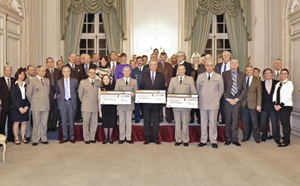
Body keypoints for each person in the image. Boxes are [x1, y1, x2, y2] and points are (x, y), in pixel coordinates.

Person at [196, 61, 224, 148]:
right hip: (203, 102)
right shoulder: (200, 76)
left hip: (214, 103)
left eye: (211, 65)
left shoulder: (219, 77)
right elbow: (198, 89)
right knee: (203, 122)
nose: (209, 67)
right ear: (205, 66)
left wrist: (216, 98)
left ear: (214, 66)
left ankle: (213, 140)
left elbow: (221, 90)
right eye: (207, 65)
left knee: (213, 122)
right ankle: (203, 140)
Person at [168, 65, 197, 147]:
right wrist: (169, 101)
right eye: (179, 69)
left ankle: (185, 139)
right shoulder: (173, 79)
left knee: (185, 123)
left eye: (182, 69)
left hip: (186, 105)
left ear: (185, 70)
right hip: (176, 105)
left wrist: (194, 102)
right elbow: (170, 92)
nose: (181, 71)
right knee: (177, 123)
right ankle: (178, 139)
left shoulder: (190, 79)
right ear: (177, 70)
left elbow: (193, 92)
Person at [222, 59, 247, 146]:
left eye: (235, 63)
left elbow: (244, 89)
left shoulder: (242, 74)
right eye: (232, 63)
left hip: (237, 101)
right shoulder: (225, 74)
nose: (234, 64)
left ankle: (235, 139)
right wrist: (227, 99)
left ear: (238, 64)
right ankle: (228, 139)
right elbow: (222, 88)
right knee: (228, 121)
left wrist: (238, 99)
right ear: (230, 64)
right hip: (228, 101)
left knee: (236, 121)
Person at [140, 60, 165, 145]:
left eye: (155, 64)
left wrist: (162, 99)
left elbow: (162, 88)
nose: (153, 66)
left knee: (156, 120)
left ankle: (155, 137)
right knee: (146, 120)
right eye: (151, 64)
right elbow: (141, 87)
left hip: (157, 102)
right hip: (146, 102)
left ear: (157, 66)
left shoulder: (161, 75)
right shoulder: (144, 75)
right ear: (149, 66)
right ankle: (147, 137)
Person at [26, 66, 50, 146]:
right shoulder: (32, 81)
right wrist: (33, 102)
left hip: (45, 105)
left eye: (45, 71)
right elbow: (28, 94)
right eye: (42, 71)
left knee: (44, 123)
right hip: (36, 105)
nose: (44, 72)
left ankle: (44, 138)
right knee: (36, 123)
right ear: (38, 71)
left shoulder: (47, 80)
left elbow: (48, 92)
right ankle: (35, 139)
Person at [114, 66, 138, 144]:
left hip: (130, 104)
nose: (127, 72)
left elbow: (136, 93)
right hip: (121, 104)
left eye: (128, 71)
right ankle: (121, 137)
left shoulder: (134, 81)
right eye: (125, 71)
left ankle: (128, 137)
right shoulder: (118, 81)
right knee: (121, 121)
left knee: (128, 121)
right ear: (122, 72)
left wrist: (133, 94)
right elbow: (116, 92)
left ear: (130, 72)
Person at [78, 68, 101, 144]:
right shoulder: (83, 82)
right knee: (86, 123)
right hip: (86, 106)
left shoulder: (98, 82)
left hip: (95, 106)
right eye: (91, 72)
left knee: (94, 123)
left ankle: (92, 137)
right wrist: (84, 102)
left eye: (94, 73)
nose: (92, 74)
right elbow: (80, 94)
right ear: (88, 73)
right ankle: (86, 138)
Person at [56, 65, 78, 144]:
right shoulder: (59, 82)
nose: (66, 73)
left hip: (71, 102)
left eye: (67, 71)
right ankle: (65, 137)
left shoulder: (75, 81)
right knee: (64, 121)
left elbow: (76, 91)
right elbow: (57, 92)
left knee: (71, 120)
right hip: (63, 103)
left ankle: (72, 137)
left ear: (70, 72)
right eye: (64, 71)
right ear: (62, 72)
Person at [241, 66, 262, 143]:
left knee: (254, 121)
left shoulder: (257, 80)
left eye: (250, 70)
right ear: (245, 71)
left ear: (253, 71)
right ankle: (245, 137)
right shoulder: (243, 79)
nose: (248, 72)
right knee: (245, 122)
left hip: (253, 104)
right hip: (244, 104)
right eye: (247, 70)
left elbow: (259, 93)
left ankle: (257, 137)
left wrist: (259, 104)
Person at [273, 69, 294, 147]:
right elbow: (274, 95)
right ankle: (285, 137)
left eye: (285, 74)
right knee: (282, 123)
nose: (283, 75)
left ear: (287, 75)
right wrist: (274, 104)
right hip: (278, 106)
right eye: (282, 73)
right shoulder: (278, 84)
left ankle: (286, 141)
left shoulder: (289, 83)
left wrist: (280, 105)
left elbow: (287, 96)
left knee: (285, 123)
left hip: (286, 106)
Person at [10, 68, 30, 145]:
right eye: (20, 74)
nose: (22, 76)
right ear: (17, 75)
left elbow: (29, 96)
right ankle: (16, 138)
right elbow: (13, 97)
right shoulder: (14, 85)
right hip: (16, 107)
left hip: (25, 106)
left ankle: (23, 137)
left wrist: (27, 106)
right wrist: (20, 108)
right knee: (16, 122)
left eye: (23, 74)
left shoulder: (26, 84)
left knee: (24, 122)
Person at [261, 68, 280, 143]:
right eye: (266, 73)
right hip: (264, 106)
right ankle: (264, 135)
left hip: (274, 106)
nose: (268, 74)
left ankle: (276, 137)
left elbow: (279, 95)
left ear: (272, 74)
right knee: (264, 122)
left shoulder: (277, 83)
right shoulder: (261, 83)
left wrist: (278, 104)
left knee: (275, 122)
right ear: (264, 75)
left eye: (269, 73)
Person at [64, 52, 84, 123]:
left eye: (75, 57)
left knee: (77, 104)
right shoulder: (65, 67)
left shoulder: (79, 67)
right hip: (68, 90)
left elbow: (82, 79)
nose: (73, 58)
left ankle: (77, 118)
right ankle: (68, 119)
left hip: (77, 90)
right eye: (72, 57)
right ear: (69, 58)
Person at [45, 57, 62, 132]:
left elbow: (61, 83)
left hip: (57, 95)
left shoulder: (58, 71)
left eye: (52, 61)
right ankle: (48, 126)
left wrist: (57, 93)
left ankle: (54, 126)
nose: (50, 63)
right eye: (48, 62)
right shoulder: (44, 72)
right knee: (48, 112)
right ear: (46, 64)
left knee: (55, 112)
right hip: (47, 95)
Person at [215, 51, 232, 124]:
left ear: (230, 56)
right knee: (220, 103)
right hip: (219, 87)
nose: (226, 56)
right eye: (224, 55)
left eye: (227, 55)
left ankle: (228, 120)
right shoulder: (218, 65)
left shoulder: (233, 65)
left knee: (228, 104)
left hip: (229, 88)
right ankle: (221, 119)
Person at [131, 56, 149, 123]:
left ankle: (145, 117)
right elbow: (132, 80)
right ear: (136, 62)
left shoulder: (147, 70)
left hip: (145, 90)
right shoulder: (134, 71)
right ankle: (137, 118)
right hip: (137, 90)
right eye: (138, 61)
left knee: (145, 105)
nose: (139, 62)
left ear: (143, 61)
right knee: (137, 105)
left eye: (140, 61)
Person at [100, 74, 117, 144]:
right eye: (105, 79)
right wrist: (100, 111)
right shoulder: (100, 88)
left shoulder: (113, 87)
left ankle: (110, 137)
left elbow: (116, 98)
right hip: (104, 108)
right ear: (102, 80)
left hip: (112, 107)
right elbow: (99, 100)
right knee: (105, 123)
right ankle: (106, 137)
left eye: (107, 79)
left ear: (110, 80)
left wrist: (117, 108)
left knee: (111, 122)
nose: (106, 80)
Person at [0, 65, 15, 142]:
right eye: (6, 70)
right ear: (4, 71)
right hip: (3, 105)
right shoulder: (0, 80)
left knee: (11, 122)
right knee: (2, 122)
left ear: (11, 71)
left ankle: (11, 137)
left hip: (12, 105)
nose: (8, 72)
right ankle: (2, 139)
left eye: (10, 70)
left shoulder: (14, 80)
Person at [157, 52, 173, 123]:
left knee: (168, 101)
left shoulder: (169, 65)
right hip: (159, 86)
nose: (163, 58)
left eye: (164, 57)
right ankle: (160, 117)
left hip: (168, 86)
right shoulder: (156, 65)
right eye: (161, 57)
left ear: (166, 57)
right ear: (159, 57)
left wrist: (167, 82)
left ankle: (168, 117)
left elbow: (171, 75)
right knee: (159, 102)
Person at [190, 52, 202, 124]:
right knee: (191, 102)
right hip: (191, 87)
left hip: (200, 87)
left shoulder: (202, 67)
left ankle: (199, 118)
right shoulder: (189, 66)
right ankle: (191, 118)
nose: (196, 59)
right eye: (194, 57)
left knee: (199, 103)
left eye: (197, 57)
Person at [25, 65, 35, 141]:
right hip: (27, 103)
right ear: (27, 71)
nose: (33, 71)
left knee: (35, 120)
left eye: (34, 70)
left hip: (36, 103)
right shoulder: (24, 80)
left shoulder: (36, 79)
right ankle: (28, 135)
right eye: (31, 70)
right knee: (27, 120)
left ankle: (35, 135)